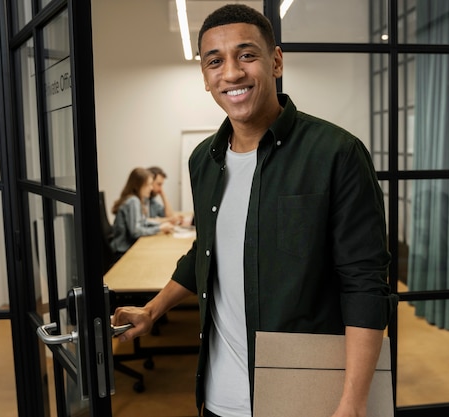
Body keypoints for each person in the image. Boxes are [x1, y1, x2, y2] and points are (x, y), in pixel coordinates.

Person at [112, 5, 397, 417]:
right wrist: (153, 309)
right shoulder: (203, 160)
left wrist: (352, 403)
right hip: (218, 396)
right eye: (215, 61)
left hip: (304, 391)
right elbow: (206, 253)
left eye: (246, 55)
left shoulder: (337, 153)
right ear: (206, 78)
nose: (231, 73)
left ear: (275, 60)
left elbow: (365, 284)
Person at [109, 167, 174, 258]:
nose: (151, 188)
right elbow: (135, 232)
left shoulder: (135, 200)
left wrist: (162, 225)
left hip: (127, 249)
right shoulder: (133, 201)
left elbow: (143, 221)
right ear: (138, 186)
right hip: (123, 252)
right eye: (149, 185)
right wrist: (160, 228)